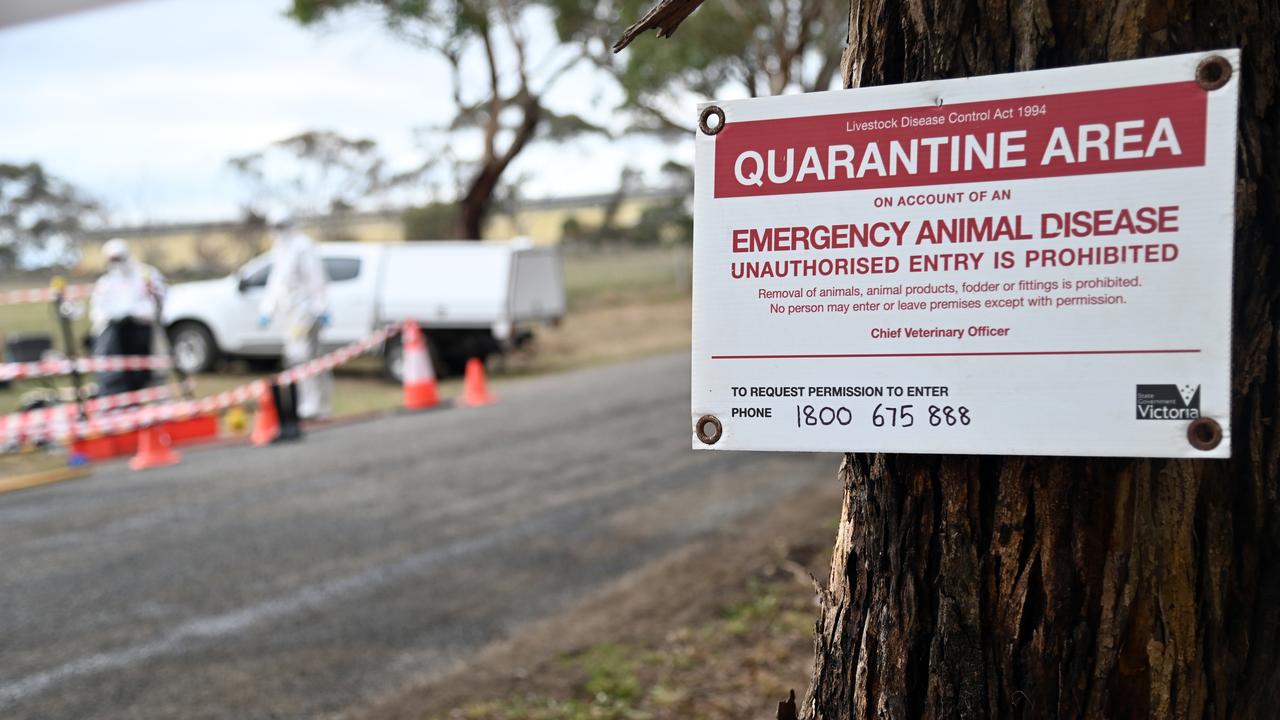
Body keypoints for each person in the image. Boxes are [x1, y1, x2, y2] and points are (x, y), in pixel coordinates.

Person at [258, 213, 332, 433]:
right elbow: (276, 283)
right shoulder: (279, 249)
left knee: (304, 358)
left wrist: (321, 306)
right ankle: (308, 405)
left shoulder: (302, 246)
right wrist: (267, 309)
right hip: (290, 313)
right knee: (299, 359)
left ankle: (315, 406)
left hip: (306, 311)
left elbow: (316, 278)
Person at [90, 238, 166, 395]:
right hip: (115, 335)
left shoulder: (146, 274)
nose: (116, 263)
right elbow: (97, 310)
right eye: (113, 259)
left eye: (119, 258)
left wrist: (135, 313)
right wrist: (110, 318)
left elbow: (159, 300)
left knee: (147, 372)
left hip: (143, 331)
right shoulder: (106, 282)